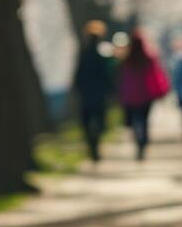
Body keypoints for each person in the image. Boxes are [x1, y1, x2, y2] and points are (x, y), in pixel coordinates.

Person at [116, 29, 170, 161]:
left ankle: (138, 140)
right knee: (145, 120)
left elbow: (120, 78)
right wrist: (161, 89)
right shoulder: (148, 58)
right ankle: (143, 143)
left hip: (130, 96)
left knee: (134, 120)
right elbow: (156, 75)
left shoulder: (126, 59)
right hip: (146, 95)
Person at [71, 20, 117, 164]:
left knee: (87, 122)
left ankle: (92, 146)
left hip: (86, 95)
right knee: (99, 122)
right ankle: (94, 145)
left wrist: (77, 89)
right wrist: (111, 90)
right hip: (99, 95)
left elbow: (78, 76)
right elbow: (107, 75)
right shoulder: (102, 56)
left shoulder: (83, 55)